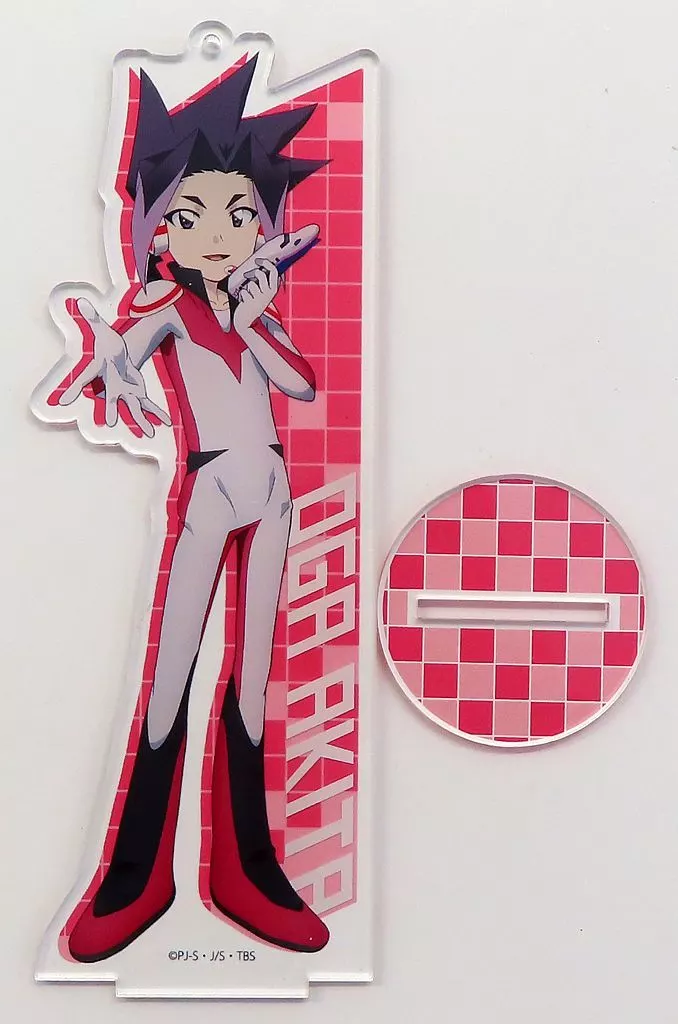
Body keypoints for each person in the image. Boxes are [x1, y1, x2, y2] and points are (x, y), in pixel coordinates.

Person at [57, 56, 330, 962]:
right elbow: (129, 342)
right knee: (171, 672)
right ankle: (137, 876)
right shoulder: (172, 303)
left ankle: (246, 870)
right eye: (190, 213)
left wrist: (254, 319)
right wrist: (108, 353)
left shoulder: (256, 308)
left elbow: (301, 385)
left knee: (251, 680)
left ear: (264, 225)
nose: (218, 233)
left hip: (274, 491)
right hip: (209, 487)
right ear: (157, 227)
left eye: (240, 213)